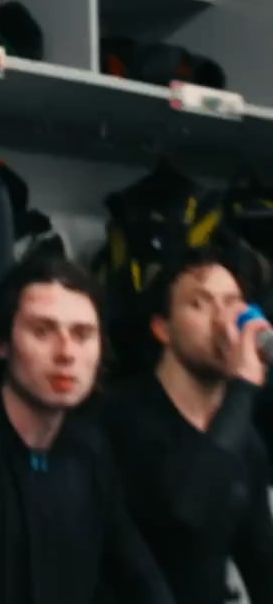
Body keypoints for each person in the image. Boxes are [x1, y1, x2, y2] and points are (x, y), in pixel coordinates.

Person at [0, 253, 173, 604]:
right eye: (42, 331)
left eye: (82, 334)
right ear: (2, 343)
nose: (66, 353)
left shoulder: (89, 451)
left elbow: (140, 579)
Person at [100, 243, 273, 604]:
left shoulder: (244, 440)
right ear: (162, 328)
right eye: (200, 303)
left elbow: (262, 567)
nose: (223, 320)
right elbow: (187, 510)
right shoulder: (118, 417)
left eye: (232, 303)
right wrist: (242, 388)